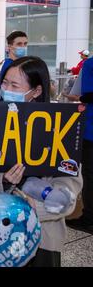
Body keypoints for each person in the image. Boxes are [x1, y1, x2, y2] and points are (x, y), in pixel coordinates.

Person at [0, 56, 82, 267]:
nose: (6, 88)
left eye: (14, 85)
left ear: (35, 91)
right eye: (5, 82)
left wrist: (31, 206)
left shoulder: (60, 128)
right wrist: (5, 184)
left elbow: (67, 198)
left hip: (43, 241)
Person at [66, 56, 93, 235]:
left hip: (91, 130)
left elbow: (85, 94)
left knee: (90, 175)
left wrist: (80, 97)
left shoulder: (90, 65)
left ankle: (90, 218)